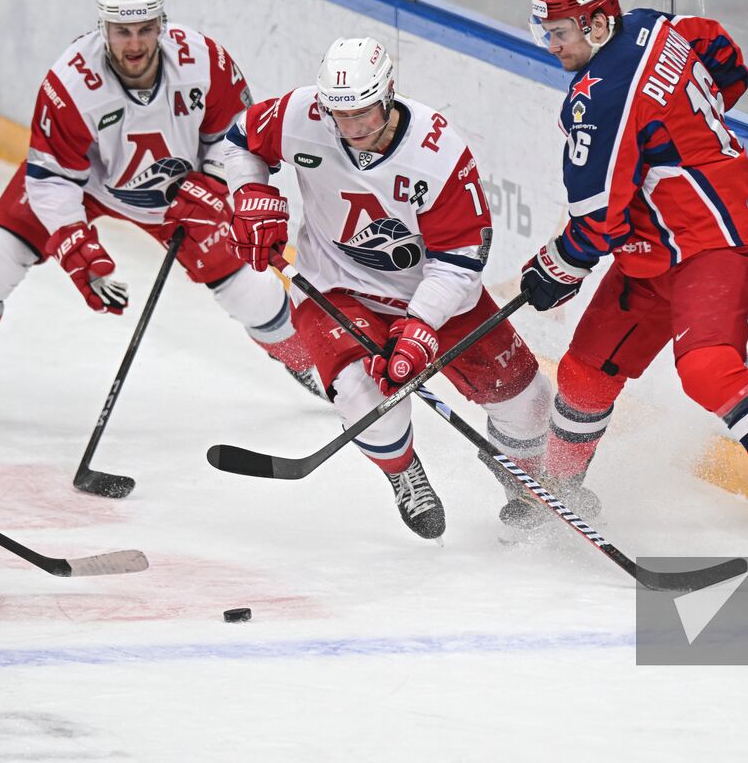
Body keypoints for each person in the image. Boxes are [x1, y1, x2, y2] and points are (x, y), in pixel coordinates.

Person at [514, 0, 748, 563]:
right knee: (584, 371)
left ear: (598, 24)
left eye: (561, 33)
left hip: (715, 246)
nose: (552, 46)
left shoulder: (597, 98)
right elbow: (729, 59)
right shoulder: (653, 25)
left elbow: (596, 223)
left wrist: (554, 268)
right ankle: (561, 487)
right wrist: (689, 137)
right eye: (547, 32)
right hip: (653, 251)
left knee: (707, 369)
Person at [0, 0, 318, 427]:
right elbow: (51, 177)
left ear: (161, 24)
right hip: (87, 186)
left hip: (180, 196)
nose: (134, 44)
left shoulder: (204, 61)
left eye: (144, 29)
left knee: (251, 292)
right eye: (121, 31)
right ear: (104, 28)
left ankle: (312, 363)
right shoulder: (71, 82)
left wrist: (213, 186)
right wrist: (75, 244)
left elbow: (235, 138)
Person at [223, 37, 551, 541]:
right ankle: (405, 474)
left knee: (527, 401)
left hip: (435, 291)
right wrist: (249, 192)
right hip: (336, 285)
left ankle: (521, 479)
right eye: (340, 114)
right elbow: (242, 138)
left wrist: (420, 327)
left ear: (389, 94)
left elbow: (460, 259)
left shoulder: (438, 153)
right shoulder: (303, 114)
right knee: (362, 391)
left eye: (364, 114)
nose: (351, 128)